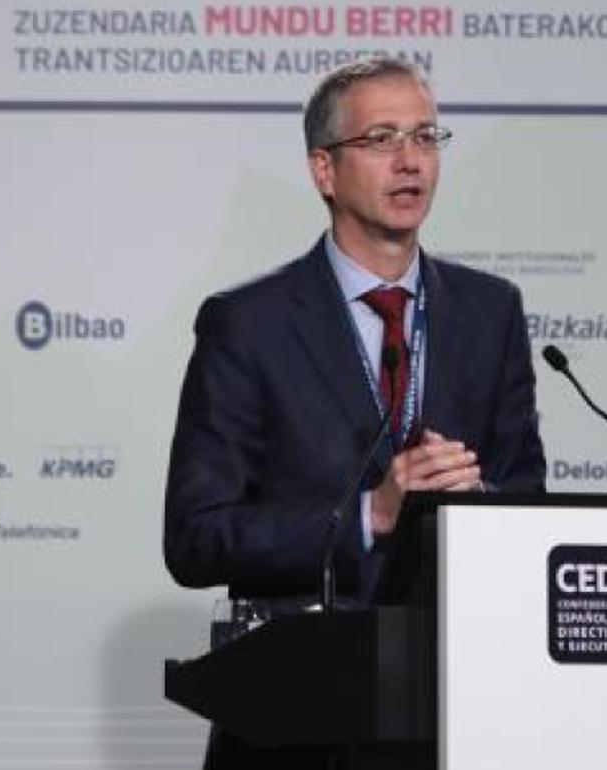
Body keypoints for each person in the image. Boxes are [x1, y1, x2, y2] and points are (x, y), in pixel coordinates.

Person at [164, 57, 546, 768]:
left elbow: (528, 503)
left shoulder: (491, 313)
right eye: (381, 140)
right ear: (323, 170)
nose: (410, 161)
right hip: (293, 722)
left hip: (456, 715)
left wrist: (480, 507)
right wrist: (372, 515)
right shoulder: (248, 325)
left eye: (426, 138)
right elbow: (196, 538)